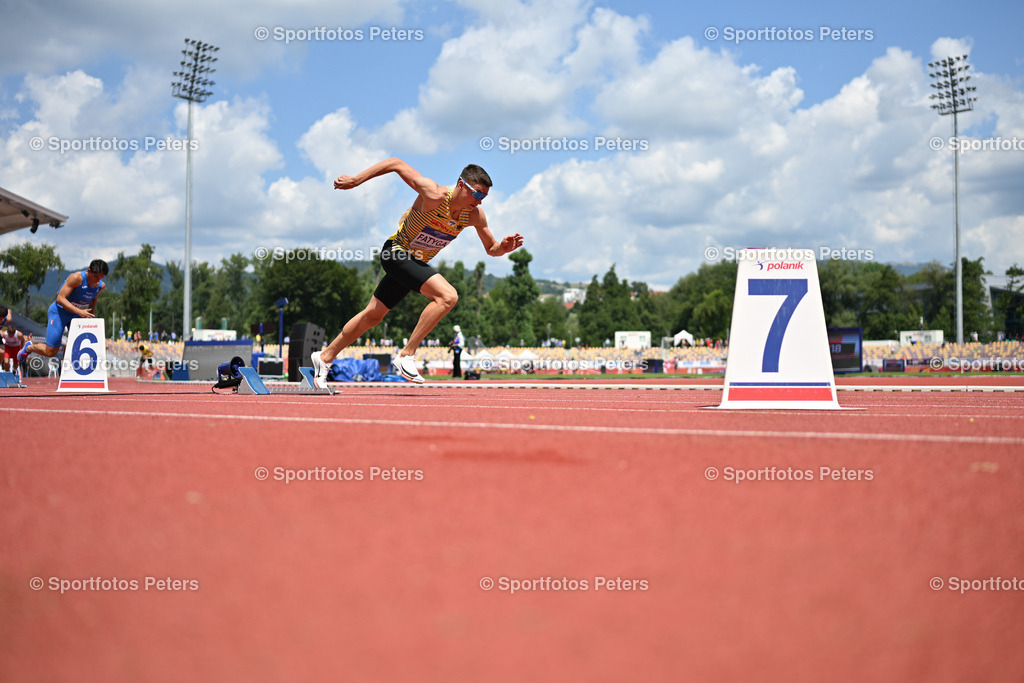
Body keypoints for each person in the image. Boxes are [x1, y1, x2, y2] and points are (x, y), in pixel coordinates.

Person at [311, 158, 524, 386]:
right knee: (447, 296)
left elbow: (491, 249)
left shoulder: (475, 216)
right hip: (396, 253)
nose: (480, 201)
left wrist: (503, 248)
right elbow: (396, 164)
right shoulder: (434, 194)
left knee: (373, 316)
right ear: (462, 185)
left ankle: (324, 357)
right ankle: (407, 355)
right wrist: (356, 180)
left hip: (413, 264)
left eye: (484, 197)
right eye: (477, 194)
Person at [19, 259, 109, 368]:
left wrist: (91, 315)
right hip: (59, 313)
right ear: (89, 271)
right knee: (50, 351)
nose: (97, 280)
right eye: (96, 277)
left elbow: (94, 298)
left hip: (76, 316)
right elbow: (60, 299)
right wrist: (80, 311)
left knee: (75, 346)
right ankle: (29, 347)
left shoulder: (100, 286)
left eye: (101, 278)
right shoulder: (76, 278)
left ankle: (64, 369)